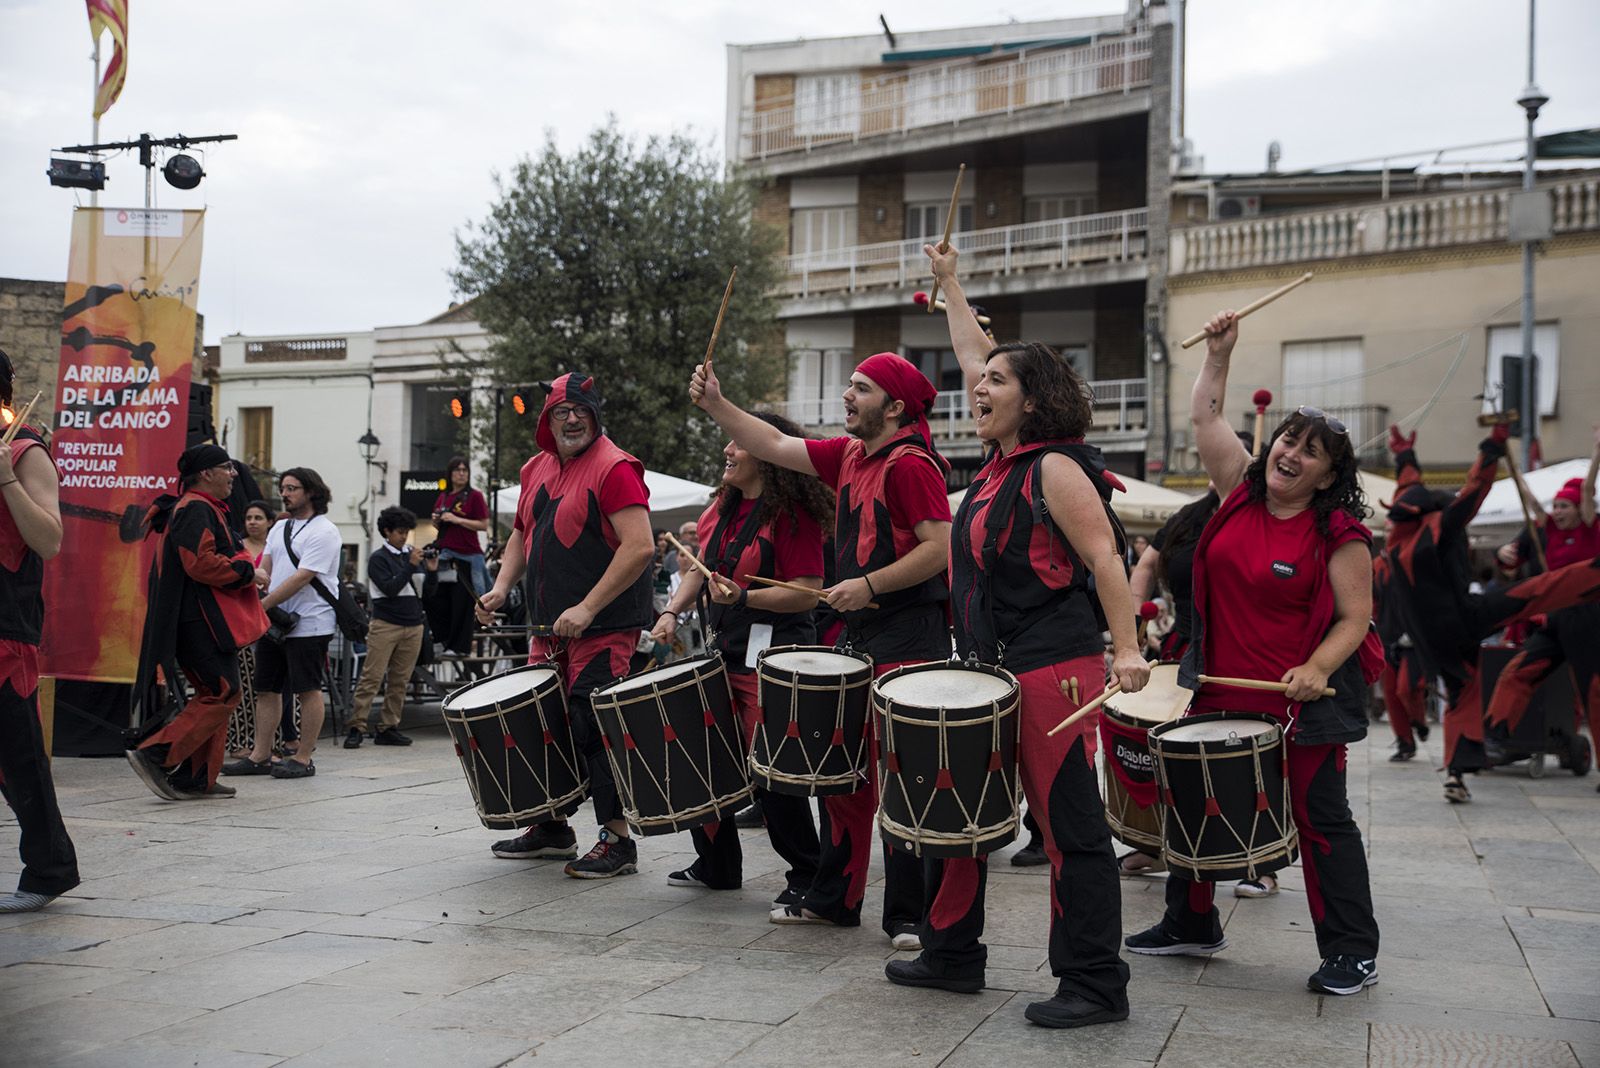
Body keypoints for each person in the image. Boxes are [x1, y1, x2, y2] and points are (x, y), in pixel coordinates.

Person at [888, 243, 1147, 1028]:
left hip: (1052, 672)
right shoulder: (999, 465)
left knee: (1069, 830)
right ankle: (951, 953)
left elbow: (1105, 557)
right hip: (990, 671)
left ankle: (1096, 983)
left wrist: (1128, 649)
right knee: (958, 818)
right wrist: (952, 285)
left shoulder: (1055, 467)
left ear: (1032, 402)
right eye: (982, 379)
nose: (979, 387)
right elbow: (973, 351)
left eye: (999, 382)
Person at [1125, 309, 1385, 999]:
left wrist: (1318, 668)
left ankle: (1353, 951)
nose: (1290, 452)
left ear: (1328, 476)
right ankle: (1191, 922)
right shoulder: (1237, 491)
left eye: (1310, 450)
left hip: (1301, 706)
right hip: (1219, 687)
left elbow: (1356, 617)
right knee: (1198, 802)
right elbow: (1207, 418)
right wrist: (1219, 354)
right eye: (1288, 439)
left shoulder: (1342, 533)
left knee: (1321, 820)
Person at [692, 351, 950, 951]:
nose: (846, 396)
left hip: (908, 637)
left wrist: (868, 584)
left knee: (901, 780)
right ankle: (835, 900)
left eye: (859, 388)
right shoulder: (851, 455)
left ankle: (908, 916)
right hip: (861, 636)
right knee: (846, 779)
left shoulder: (913, 464)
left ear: (894, 405)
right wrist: (717, 405)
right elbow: (776, 445)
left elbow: (939, 549)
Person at [476, 372, 655, 878]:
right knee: (542, 723)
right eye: (561, 411)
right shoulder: (535, 467)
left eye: (581, 410)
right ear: (546, 420)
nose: (572, 418)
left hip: (604, 624)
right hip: (547, 625)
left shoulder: (615, 467)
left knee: (591, 725)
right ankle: (552, 826)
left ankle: (618, 842)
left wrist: (589, 608)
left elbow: (639, 546)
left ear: (595, 416)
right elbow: (519, 534)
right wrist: (502, 586)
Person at [650, 412, 827, 904]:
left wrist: (744, 598)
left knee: (772, 773)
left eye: (738, 443)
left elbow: (808, 594)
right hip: (726, 651)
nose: (728, 450)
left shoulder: (792, 516)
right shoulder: (720, 507)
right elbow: (700, 571)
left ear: (767, 454)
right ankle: (717, 865)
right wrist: (670, 612)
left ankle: (807, 874)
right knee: (703, 761)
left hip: (776, 658)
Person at [1384, 426, 1600, 802]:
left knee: (1461, 696)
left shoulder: (1397, 537)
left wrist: (1405, 456)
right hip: (1465, 621)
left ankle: (1460, 769)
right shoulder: (1438, 527)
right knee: (1536, 596)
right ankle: (1492, 738)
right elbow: (1474, 491)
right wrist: (1492, 446)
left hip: (1430, 637)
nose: (1559, 511)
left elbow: (1408, 486)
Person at [129, 444, 270, 803]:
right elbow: (200, 564)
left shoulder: (200, 507)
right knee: (224, 691)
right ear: (206, 474)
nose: (234, 474)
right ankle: (157, 753)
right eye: (227, 468)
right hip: (199, 622)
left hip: (199, 620)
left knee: (215, 692)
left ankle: (198, 777)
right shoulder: (195, 508)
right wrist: (247, 571)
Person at [0, 350, 78, 911]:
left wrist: (3, 475)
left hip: (6, 625)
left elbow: (48, 540)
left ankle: (48, 870)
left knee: (18, 753)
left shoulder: (26, 451)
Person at [1484, 426, 1600, 774]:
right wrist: (1512, 466)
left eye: (1566, 505)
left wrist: (1596, 454)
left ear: (1581, 508)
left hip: (1589, 620)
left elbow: (1588, 490)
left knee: (1593, 696)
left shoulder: (1591, 527)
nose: (1560, 511)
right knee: (1515, 674)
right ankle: (1495, 737)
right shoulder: (1546, 530)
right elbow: (1529, 499)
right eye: (1557, 505)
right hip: (1554, 619)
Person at [223, 468, 341, 781]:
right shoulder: (279, 528)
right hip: (274, 622)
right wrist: (257, 590)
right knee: (266, 688)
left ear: (311, 492)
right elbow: (265, 568)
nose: (285, 493)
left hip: (310, 622)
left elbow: (304, 576)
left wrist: (263, 604)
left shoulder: (324, 530)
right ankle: (260, 755)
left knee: (307, 689)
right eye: (283, 488)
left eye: (292, 488)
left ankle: (303, 757)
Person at [345, 506, 438, 748]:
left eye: (406, 531)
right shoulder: (378, 558)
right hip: (386, 624)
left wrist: (432, 572)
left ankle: (388, 726)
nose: (404, 536)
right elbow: (390, 588)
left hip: (413, 624)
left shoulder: (411, 555)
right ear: (387, 531)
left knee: (400, 680)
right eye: (399, 531)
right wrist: (410, 565)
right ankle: (357, 725)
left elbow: (427, 594)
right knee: (372, 677)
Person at [226, 500, 282, 759]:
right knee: (244, 683)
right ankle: (239, 741)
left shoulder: (276, 548)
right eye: (249, 517)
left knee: (273, 686)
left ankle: (272, 742)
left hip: (272, 622)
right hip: (244, 620)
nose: (252, 522)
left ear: (270, 522)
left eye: (258, 517)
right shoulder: (238, 548)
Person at [432, 455, 490, 596]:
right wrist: (436, 521)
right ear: (450, 473)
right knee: (442, 594)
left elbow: (484, 525)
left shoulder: (475, 495)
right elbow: (438, 527)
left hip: (471, 553)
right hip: (447, 553)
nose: (462, 473)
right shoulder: (443, 497)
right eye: (458, 470)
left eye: (465, 470)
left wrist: (457, 520)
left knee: (479, 595)